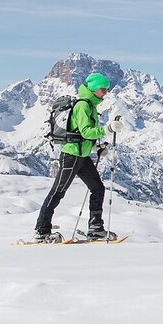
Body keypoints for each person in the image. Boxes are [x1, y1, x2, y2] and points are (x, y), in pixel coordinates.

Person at [33, 72, 124, 243]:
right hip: (71, 155)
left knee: (98, 188)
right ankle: (41, 231)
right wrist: (108, 129)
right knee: (58, 192)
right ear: (95, 89)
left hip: (81, 155)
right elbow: (85, 132)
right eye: (103, 89)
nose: (106, 93)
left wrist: (96, 147)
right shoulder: (83, 105)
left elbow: (82, 135)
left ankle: (95, 228)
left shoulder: (90, 105)